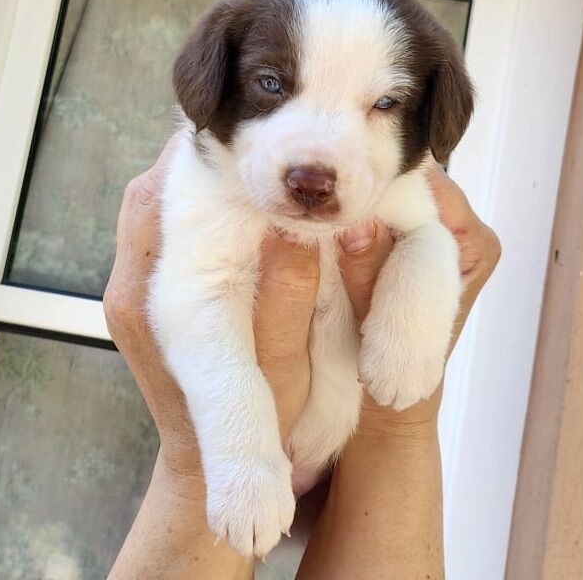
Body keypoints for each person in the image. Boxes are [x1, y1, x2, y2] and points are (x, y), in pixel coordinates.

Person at [103, 141, 500, 579]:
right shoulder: (214, 173)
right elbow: (196, 296)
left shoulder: (397, 178)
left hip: (334, 457)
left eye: (381, 104)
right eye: (273, 87)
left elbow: (429, 240)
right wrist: (225, 456)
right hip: (255, 452)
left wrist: (399, 409)